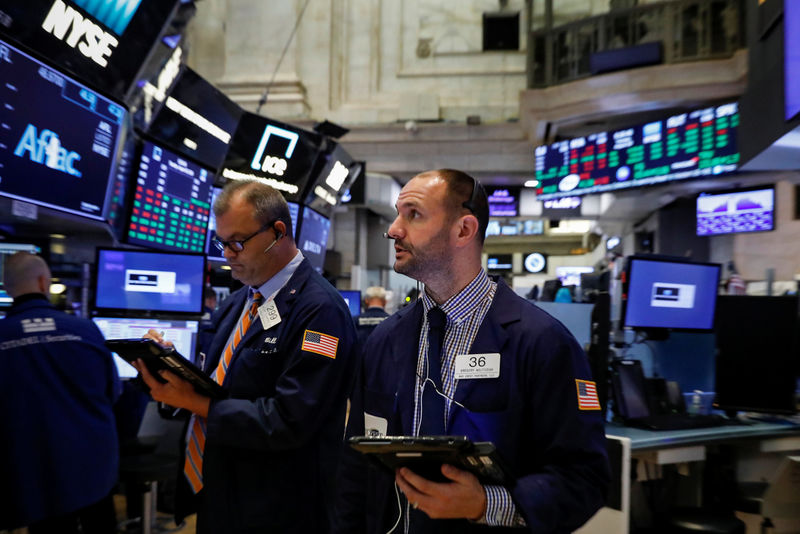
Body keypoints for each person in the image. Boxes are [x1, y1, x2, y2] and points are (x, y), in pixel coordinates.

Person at [335, 169, 609, 533]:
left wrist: (486, 503)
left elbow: (585, 477)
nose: (394, 229)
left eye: (413, 214)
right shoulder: (384, 341)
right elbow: (356, 470)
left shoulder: (543, 342)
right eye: (397, 214)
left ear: (464, 230)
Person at [133, 179, 358, 534]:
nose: (227, 254)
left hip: (280, 508)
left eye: (237, 242)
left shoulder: (320, 311)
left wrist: (198, 403)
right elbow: (218, 383)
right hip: (222, 491)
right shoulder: (238, 302)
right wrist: (170, 368)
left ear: (278, 232)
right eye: (222, 243)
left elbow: (292, 419)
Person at [0, 252, 120, 533]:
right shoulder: (86, 330)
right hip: (93, 466)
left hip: (30, 472)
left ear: (7, 288)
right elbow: (113, 392)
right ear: (44, 282)